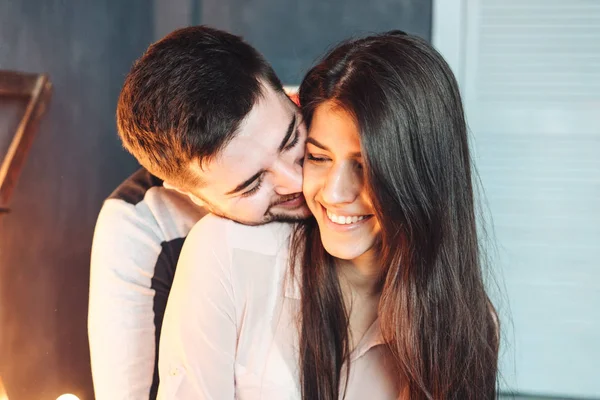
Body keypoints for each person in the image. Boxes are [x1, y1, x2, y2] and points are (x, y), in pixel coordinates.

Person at [157, 31, 499, 399]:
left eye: (366, 166)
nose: (332, 194)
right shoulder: (226, 252)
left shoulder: (468, 327)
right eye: (318, 158)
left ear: (421, 176)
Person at [88, 26, 310, 400]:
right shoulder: (139, 227)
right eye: (252, 184)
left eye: (290, 140)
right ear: (191, 196)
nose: (298, 180)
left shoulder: (342, 124)